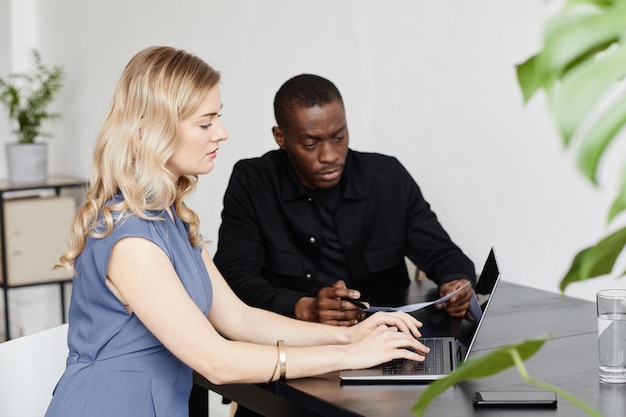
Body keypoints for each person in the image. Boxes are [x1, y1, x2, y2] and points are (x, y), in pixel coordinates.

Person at [43, 47, 430, 417]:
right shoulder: (131, 241)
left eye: (218, 117)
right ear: (155, 128)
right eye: (205, 122)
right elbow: (216, 360)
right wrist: (349, 357)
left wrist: (351, 336)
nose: (222, 133)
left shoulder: (168, 217)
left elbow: (241, 319)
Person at [215, 73, 477, 328]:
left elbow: (443, 253)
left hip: (387, 336)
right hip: (292, 340)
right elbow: (233, 278)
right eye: (310, 143)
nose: (329, 155)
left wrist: (456, 284)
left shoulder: (387, 178)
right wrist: (303, 307)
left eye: (338, 137)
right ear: (280, 137)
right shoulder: (253, 182)